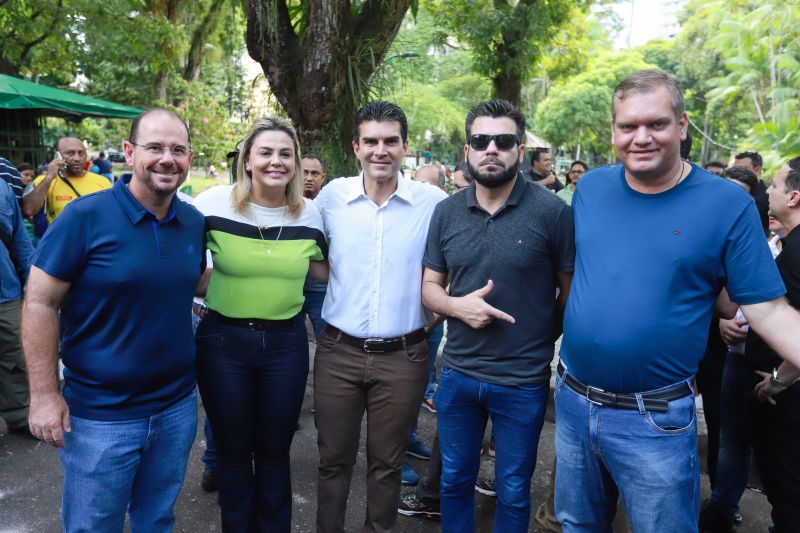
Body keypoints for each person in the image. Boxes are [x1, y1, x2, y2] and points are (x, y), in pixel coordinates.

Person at [554, 69, 794, 533]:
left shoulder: (728, 204)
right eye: (628, 126)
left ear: (682, 126)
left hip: (655, 421)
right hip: (573, 402)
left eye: (657, 124)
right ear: (613, 131)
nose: (641, 137)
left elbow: (771, 310)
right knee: (576, 525)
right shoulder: (591, 190)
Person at [21, 108, 206, 532]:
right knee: (92, 526)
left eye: (178, 150)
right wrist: (45, 395)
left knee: (155, 520)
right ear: (129, 152)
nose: (167, 158)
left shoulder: (193, 222)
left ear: (189, 158)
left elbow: (189, 284)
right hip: (101, 416)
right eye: (155, 147)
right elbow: (39, 303)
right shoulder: (84, 217)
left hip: (176, 408)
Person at [420, 99, 574, 532]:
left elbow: (568, 289)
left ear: (519, 151)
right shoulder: (446, 212)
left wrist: (539, 332)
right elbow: (430, 287)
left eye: (503, 141)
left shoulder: (552, 212)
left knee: (511, 488)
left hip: (522, 381)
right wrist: (457, 307)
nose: (491, 149)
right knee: (453, 481)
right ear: (467, 150)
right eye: (480, 140)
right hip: (458, 376)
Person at [313, 100, 447, 533]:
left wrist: (432, 313)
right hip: (338, 351)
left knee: (387, 464)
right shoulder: (332, 197)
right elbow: (308, 253)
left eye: (391, 141)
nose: (380, 150)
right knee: (332, 460)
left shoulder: (433, 203)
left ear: (405, 147)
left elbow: (453, 263)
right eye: (370, 141)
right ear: (356, 147)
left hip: (403, 357)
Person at [193, 116, 328, 532]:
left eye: (286, 154)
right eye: (266, 152)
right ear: (247, 159)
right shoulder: (212, 205)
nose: (276, 161)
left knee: (273, 452)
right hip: (222, 342)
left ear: (297, 163)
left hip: (286, 345)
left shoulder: (311, 214)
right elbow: (188, 270)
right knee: (233, 454)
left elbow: (324, 275)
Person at [742, 157, 800, 532]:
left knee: (788, 491)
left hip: (788, 400)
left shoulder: (796, 252)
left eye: (775, 187)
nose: (769, 193)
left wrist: (778, 379)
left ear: (794, 197)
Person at [0, 176, 34, 437]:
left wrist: (31, 280)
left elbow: (20, 239)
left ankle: (20, 417)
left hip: (5, 290)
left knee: (14, 355)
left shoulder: (2, 187)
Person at [21, 137, 111, 223]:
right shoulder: (44, 181)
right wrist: (49, 177)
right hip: (61, 238)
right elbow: (29, 210)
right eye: (70, 153)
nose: (77, 158)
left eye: (81, 153)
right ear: (58, 156)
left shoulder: (103, 181)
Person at [301, 153, 329, 339]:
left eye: (314, 173)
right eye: (304, 172)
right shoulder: (283, 203)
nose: (309, 178)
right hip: (294, 288)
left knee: (327, 345)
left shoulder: (332, 207)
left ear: (323, 177)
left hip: (322, 291)